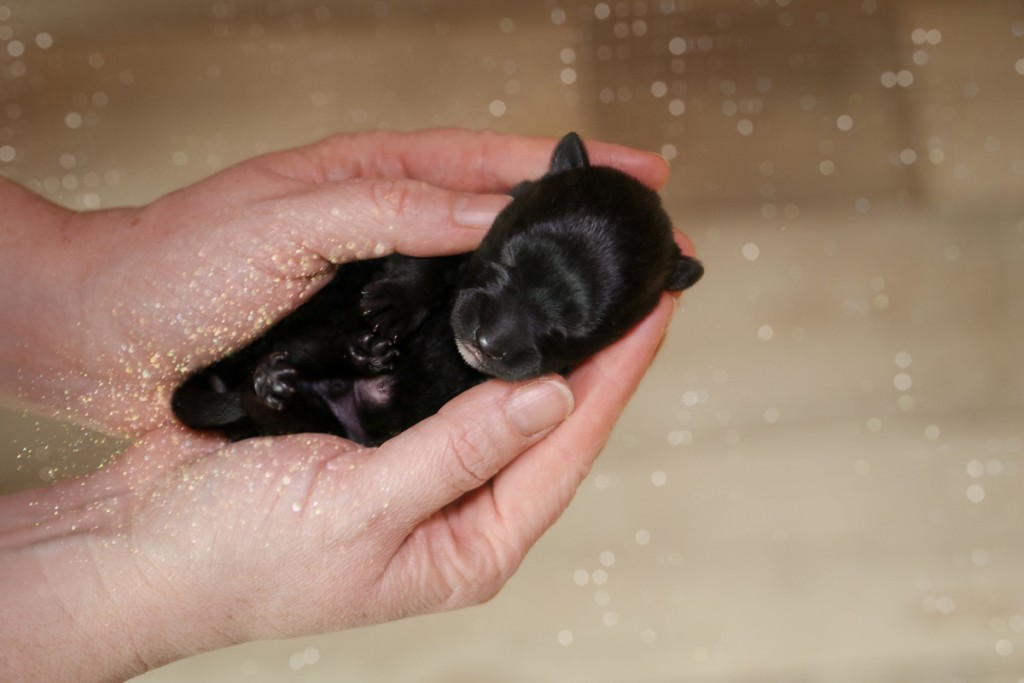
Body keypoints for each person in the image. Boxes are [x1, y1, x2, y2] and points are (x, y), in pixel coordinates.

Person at [0, 129, 693, 682]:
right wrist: (416, 284)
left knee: (351, 447)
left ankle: (272, 404)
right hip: (348, 355)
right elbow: (418, 261)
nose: (493, 329)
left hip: (366, 428)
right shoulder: (459, 244)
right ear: (523, 196)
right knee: (331, 332)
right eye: (502, 271)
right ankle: (266, 392)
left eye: (554, 331)